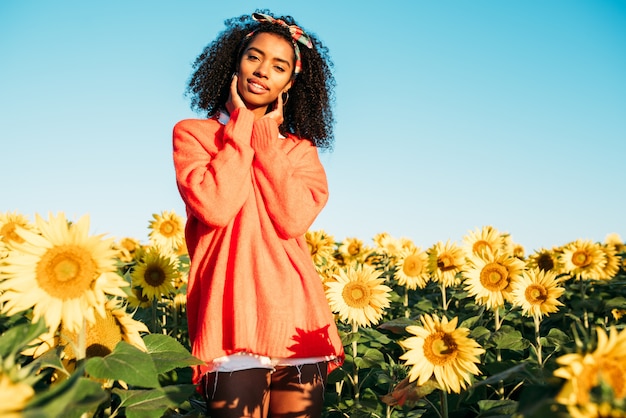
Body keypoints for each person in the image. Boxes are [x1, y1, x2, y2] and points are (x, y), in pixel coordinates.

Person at [172, 10, 344, 418]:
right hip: (230, 312)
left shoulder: (298, 150)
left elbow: (292, 219)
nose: (263, 70)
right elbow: (215, 207)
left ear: (290, 83)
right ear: (235, 61)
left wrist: (265, 138)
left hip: (298, 314)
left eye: (279, 66)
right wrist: (240, 131)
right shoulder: (194, 134)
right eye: (254, 56)